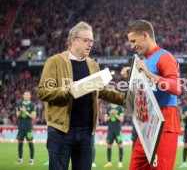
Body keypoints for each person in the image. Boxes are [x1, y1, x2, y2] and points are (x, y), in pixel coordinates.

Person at [37, 21, 124, 170]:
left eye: (92, 41)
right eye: (86, 40)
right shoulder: (55, 62)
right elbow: (43, 92)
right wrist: (67, 90)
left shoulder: (93, 65)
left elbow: (103, 91)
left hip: (86, 133)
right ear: (73, 40)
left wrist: (128, 98)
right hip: (60, 131)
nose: (90, 44)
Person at [121, 19, 182, 170]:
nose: (132, 46)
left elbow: (176, 87)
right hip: (147, 125)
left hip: (164, 123)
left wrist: (148, 75)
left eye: (134, 40)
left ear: (145, 35)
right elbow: (147, 90)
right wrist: (133, 77)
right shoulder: (145, 61)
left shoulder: (165, 57)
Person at [16, 91, 36, 165]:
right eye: (25, 94)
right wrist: (21, 111)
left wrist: (26, 111)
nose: (27, 96)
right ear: (23, 96)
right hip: (21, 127)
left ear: (30, 96)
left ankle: (31, 160)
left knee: (30, 143)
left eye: (28, 95)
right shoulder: (19, 104)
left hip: (28, 128)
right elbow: (17, 116)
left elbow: (34, 117)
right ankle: (20, 159)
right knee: (20, 143)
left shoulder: (32, 105)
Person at [103, 103, 124, 168]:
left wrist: (115, 114)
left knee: (120, 145)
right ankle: (109, 162)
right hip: (110, 130)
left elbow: (121, 119)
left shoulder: (120, 108)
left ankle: (120, 162)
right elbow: (105, 120)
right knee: (109, 146)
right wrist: (110, 114)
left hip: (118, 130)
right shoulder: (108, 108)